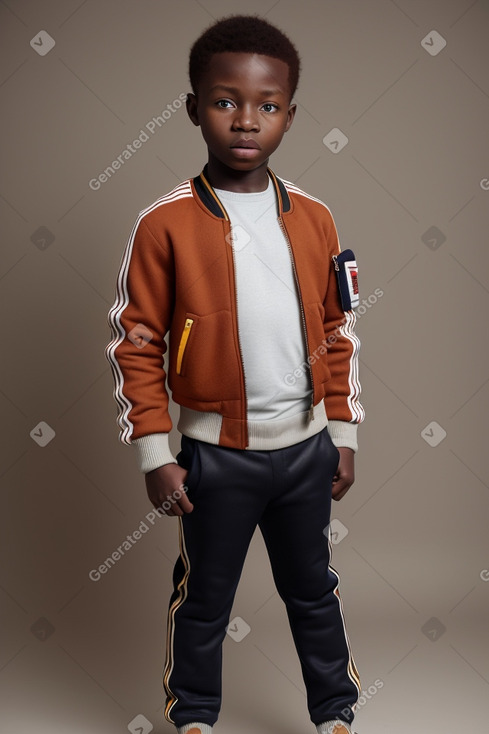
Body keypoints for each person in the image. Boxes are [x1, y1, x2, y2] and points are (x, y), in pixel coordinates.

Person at [106, 14, 365, 734]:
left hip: (306, 450)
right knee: (204, 597)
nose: (245, 121)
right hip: (214, 457)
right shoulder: (163, 223)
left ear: (288, 114)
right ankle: (192, 717)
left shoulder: (314, 219)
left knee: (313, 589)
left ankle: (335, 714)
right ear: (193, 109)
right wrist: (157, 454)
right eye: (224, 102)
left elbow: (339, 331)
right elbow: (136, 342)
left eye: (267, 106)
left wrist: (341, 431)